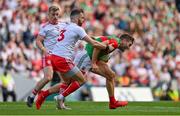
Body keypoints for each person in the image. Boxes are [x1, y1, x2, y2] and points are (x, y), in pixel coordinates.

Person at [36, 33, 134, 109]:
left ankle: (112, 102)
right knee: (70, 82)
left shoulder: (113, 39)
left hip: (89, 58)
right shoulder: (116, 42)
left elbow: (95, 39)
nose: (128, 48)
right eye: (129, 45)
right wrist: (94, 63)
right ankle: (48, 95)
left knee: (111, 76)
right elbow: (96, 46)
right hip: (85, 57)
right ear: (124, 40)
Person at [35, 8, 107, 110]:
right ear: (77, 18)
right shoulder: (77, 28)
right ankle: (60, 97)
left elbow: (86, 37)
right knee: (82, 80)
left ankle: (50, 98)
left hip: (54, 57)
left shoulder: (67, 26)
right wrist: (105, 47)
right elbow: (94, 43)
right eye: (82, 18)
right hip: (62, 59)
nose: (83, 20)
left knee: (66, 82)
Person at [26, 4, 70, 108]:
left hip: (61, 56)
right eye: (53, 14)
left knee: (66, 82)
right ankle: (32, 96)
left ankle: (59, 102)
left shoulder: (64, 24)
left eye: (57, 14)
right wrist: (43, 49)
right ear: (48, 15)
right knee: (48, 77)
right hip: (49, 55)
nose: (55, 16)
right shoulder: (45, 27)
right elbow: (38, 41)